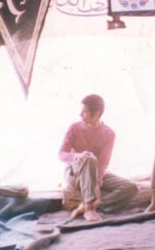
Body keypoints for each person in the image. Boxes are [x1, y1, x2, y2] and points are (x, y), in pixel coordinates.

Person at [58, 94, 139, 222]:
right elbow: (61, 154)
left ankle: (94, 205)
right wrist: (76, 156)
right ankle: (89, 208)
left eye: (84, 111)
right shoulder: (74, 128)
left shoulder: (109, 134)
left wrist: (97, 183)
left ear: (97, 114)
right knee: (89, 158)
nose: (80, 114)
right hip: (74, 174)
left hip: (95, 173)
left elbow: (103, 163)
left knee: (131, 187)